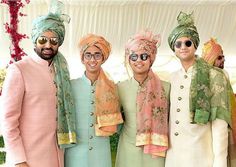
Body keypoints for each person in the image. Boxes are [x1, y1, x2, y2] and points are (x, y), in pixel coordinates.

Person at [0, 1, 77, 167]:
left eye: (54, 40)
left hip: (55, 156)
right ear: (35, 40)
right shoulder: (19, 70)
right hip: (28, 159)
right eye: (43, 40)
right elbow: (7, 121)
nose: (48, 45)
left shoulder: (61, 72)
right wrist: (19, 160)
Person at [165, 11, 232, 167]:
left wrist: (220, 162)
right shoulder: (171, 78)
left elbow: (219, 123)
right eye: (178, 44)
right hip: (173, 158)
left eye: (188, 43)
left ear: (195, 45)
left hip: (200, 157)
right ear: (173, 48)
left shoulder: (214, 76)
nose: (183, 47)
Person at [65, 34, 123, 167]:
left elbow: (119, 122)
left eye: (97, 55)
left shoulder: (112, 89)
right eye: (88, 55)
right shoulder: (71, 86)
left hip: (101, 153)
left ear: (103, 58)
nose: (92, 59)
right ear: (82, 59)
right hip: (75, 153)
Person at [115, 30, 170, 167]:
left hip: (155, 153)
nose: (138, 60)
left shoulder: (167, 88)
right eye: (134, 57)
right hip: (128, 149)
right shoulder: (119, 88)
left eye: (144, 56)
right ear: (129, 60)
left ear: (151, 59)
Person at [202, 38, 236, 167]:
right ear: (210, 59)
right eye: (219, 57)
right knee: (219, 153)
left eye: (223, 57)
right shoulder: (210, 73)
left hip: (220, 117)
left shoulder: (222, 73)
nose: (223, 60)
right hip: (215, 117)